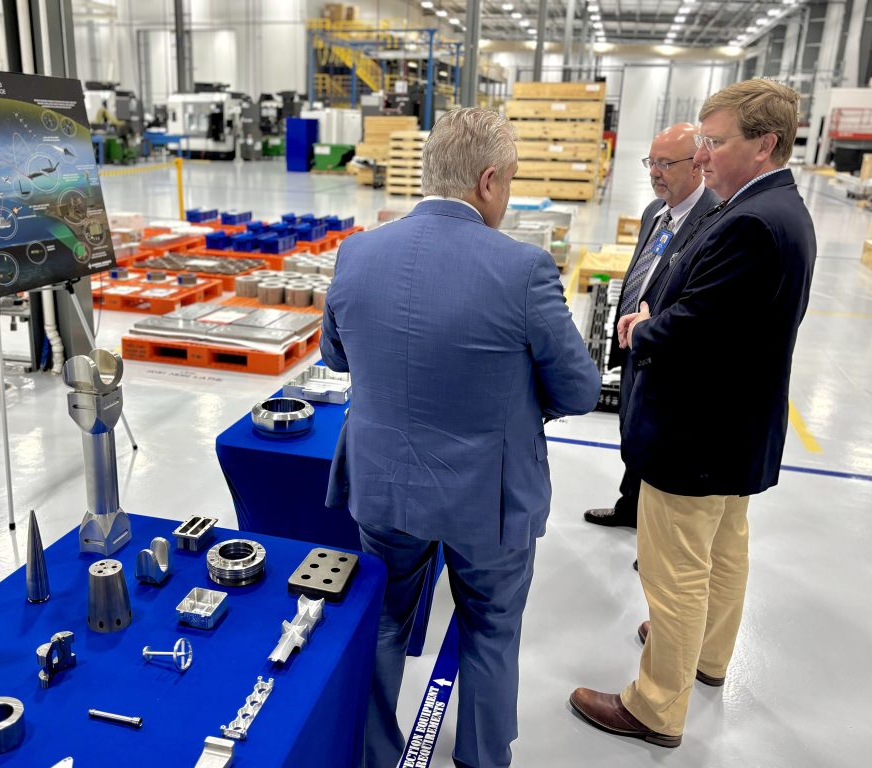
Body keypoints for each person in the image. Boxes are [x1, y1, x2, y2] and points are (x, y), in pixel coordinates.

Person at [321, 107, 601, 768]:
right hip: (488, 497)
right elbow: (580, 390)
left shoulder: (357, 253)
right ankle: (480, 757)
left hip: (385, 483)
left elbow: (336, 356)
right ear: (488, 181)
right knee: (490, 626)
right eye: (510, 181)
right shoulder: (523, 269)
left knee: (384, 619)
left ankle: (373, 754)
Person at [570, 79, 816, 747]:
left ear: (764, 144)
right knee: (725, 549)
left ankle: (654, 706)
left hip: (696, 433)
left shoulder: (749, 224)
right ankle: (707, 656)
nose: (702, 155)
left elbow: (697, 328)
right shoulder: (779, 210)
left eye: (714, 142)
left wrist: (643, 328)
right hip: (737, 429)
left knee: (674, 570)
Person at [584, 123, 720, 530]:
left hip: (667, 353)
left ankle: (656, 538)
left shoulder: (712, 219)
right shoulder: (655, 213)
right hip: (636, 344)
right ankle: (630, 507)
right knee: (632, 430)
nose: (655, 172)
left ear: (696, 165)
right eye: (651, 162)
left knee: (658, 443)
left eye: (665, 163)